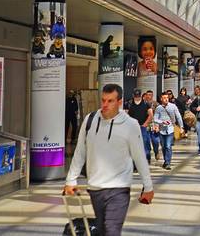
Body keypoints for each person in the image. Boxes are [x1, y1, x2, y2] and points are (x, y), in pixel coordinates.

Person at [64, 85, 154, 236]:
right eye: (103, 100)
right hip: (95, 188)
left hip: (119, 188)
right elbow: (80, 151)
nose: (105, 105)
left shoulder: (130, 125)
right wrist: (71, 179)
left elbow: (139, 157)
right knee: (102, 230)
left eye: (110, 101)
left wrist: (148, 187)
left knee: (112, 230)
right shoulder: (90, 120)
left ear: (119, 102)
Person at [151, 91, 180, 170]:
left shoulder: (173, 106)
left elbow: (178, 116)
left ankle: (168, 162)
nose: (166, 99)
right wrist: (161, 122)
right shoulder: (158, 108)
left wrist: (182, 127)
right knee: (163, 146)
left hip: (170, 129)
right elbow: (155, 119)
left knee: (168, 146)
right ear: (161, 99)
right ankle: (165, 160)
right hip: (161, 130)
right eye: (164, 98)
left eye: (167, 98)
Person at [126, 89, 154, 163]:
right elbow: (126, 115)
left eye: (138, 96)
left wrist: (145, 124)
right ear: (133, 95)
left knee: (144, 143)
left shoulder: (146, 103)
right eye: (136, 96)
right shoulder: (129, 103)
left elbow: (150, 115)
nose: (137, 97)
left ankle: (147, 157)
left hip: (142, 127)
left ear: (141, 95)